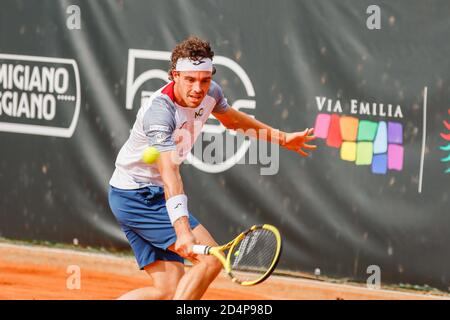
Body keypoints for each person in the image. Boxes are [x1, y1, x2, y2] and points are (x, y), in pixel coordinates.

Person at [108, 36, 316, 300]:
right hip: (137, 196)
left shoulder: (212, 93)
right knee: (211, 260)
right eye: (190, 80)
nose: (198, 88)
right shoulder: (159, 112)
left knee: (167, 290)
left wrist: (282, 138)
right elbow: (170, 174)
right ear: (175, 76)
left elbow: (232, 120)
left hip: (143, 193)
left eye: (205, 80)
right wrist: (182, 232)